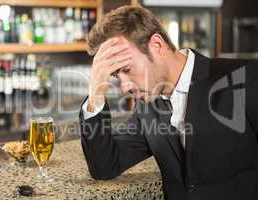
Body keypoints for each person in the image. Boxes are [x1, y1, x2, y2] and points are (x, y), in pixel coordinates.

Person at [79, 5, 258, 200]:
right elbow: (105, 166)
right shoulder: (147, 108)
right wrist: (95, 90)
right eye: (115, 75)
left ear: (156, 45)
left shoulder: (246, 78)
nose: (124, 87)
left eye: (127, 69)